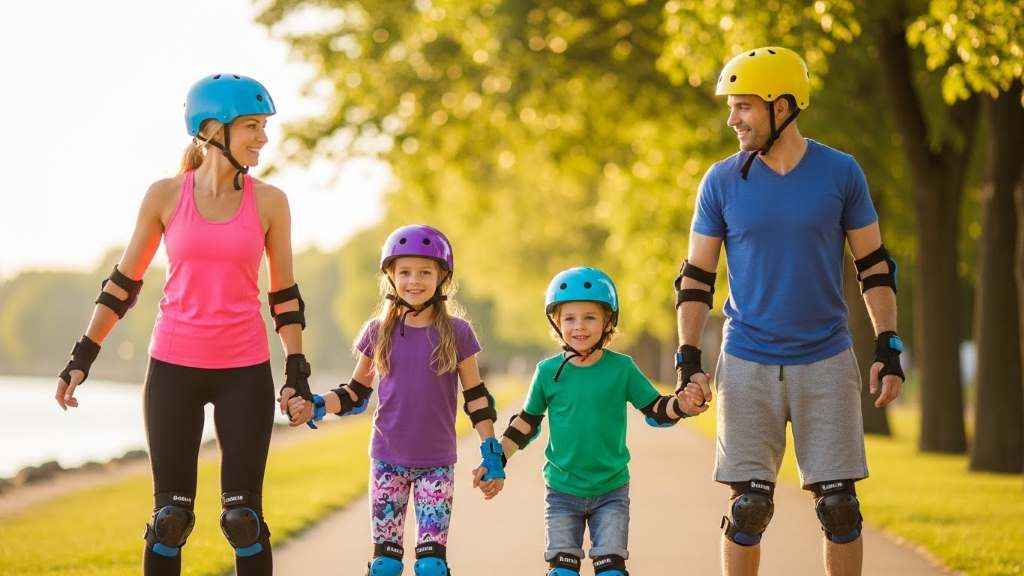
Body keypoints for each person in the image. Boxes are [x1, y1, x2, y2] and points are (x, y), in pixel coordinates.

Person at [55, 73, 314, 576]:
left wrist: (296, 371)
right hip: (173, 367)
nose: (263, 139)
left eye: (263, 128)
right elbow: (122, 285)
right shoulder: (165, 195)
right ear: (213, 128)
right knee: (170, 519)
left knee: (244, 520)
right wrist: (82, 357)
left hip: (245, 370)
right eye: (253, 127)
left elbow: (284, 295)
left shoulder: (270, 202)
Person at [673, 47, 905, 576]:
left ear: (783, 107)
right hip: (748, 360)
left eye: (744, 106)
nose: (733, 119)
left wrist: (887, 346)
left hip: (825, 360)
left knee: (839, 507)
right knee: (748, 508)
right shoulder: (721, 180)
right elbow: (696, 279)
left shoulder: (841, 172)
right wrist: (688, 360)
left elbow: (874, 266)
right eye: (731, 107)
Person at [289, 224, 501, 576]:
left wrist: (490, 450)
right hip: (388, 461)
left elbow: (476, 398)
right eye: (404, 272)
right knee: (385, 565)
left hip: (436, 463)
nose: (414, 281)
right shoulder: (379, 331)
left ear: (442, 278)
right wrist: (319, 405)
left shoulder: (458, 333)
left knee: (432, 566)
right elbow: (356, 395)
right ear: (390, 276)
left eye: (424, 272)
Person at [492, 267, 706, 576]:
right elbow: (525, 424)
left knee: (611, 571)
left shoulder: (622, 368)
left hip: (611, 491)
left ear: (608, 321)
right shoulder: (547, 372)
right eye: (570, 318)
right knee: (563, 571)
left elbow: (656, 408)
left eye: (590, 317)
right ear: (556, 322)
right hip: (562, 491)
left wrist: (681, 405)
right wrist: (497, 459)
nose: (579, 327)